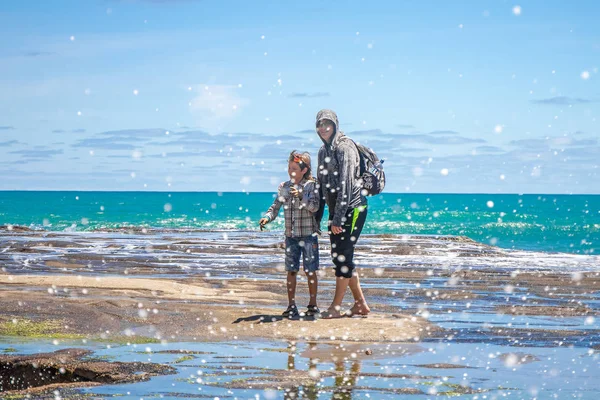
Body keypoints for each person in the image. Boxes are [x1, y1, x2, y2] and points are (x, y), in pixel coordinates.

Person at [314, 109, 370, 319]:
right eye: (320, 124)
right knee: (340, 257)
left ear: (335, 125)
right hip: (336, 211)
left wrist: (338, 218)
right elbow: (321, 187)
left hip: (353, 208)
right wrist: (318, 218)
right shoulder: (322, 151)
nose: (323, 128)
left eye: (328, 123)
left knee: (343, 257)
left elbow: (346, 185)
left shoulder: (345, 147)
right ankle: (360, 305)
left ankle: (336, 308)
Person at [259, 151, 321, 318]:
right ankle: (291, 305)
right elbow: (275, 207)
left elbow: (315, 207)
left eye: (294, 168)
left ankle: (313, 305)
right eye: (289, 167)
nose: (290, 171)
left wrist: (301, 196)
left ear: (304, 170)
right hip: (291, 236)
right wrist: (267, 217)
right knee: (291, 270)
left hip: (308, 235)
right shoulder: (284, 187)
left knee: (310, 271)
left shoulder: (312, 186)